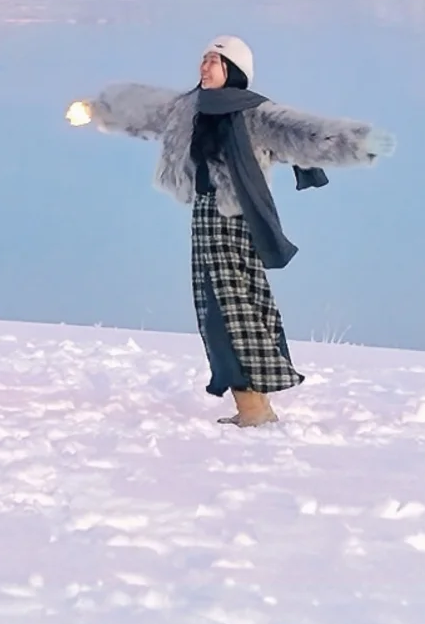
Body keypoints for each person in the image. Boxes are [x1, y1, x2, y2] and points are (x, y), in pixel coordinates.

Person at [66, 35, 393, 428]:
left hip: (235, 219)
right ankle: (255, 405)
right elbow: (144, 110)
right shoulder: (187, 108)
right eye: (203, 59)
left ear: (233, 71)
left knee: (231, 309)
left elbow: (303, 134)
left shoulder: (254, 114)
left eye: (214, 61)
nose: (204, 67)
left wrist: (359, 142)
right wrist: (99, 108)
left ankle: (253, 408)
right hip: (205, 216)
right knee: (220, 308)